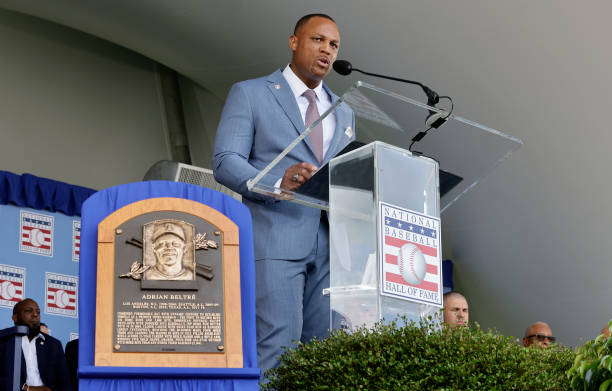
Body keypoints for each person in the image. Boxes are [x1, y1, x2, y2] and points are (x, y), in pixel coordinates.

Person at [213, 13, 354, 374]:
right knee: (278, 351)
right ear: (294, 42)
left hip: (333, 247)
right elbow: (226, 161)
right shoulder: (252, 93)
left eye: (334, 45)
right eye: (317, 40)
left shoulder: (345, 111)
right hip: (275, 236)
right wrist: (277, 182)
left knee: (326, 359)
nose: (326, 50)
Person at [0, 298, 71, 390]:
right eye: (28, 311)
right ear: (15, 317)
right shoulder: (4, 342)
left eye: (38, 311)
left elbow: (65, 384)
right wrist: (26, 388)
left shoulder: (54, 345)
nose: (35, 314)